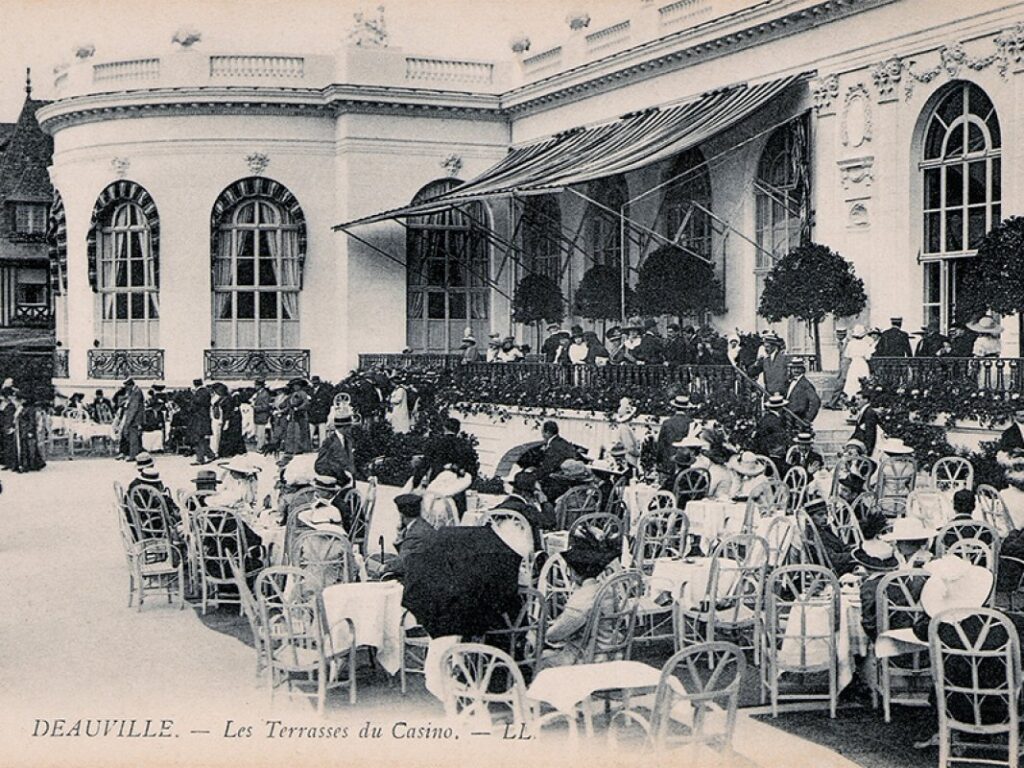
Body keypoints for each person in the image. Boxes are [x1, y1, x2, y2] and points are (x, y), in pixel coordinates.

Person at [540, 532, 621, 669]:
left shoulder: (581, 600)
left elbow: (554, 635)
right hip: (611, 651)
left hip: (585, 658)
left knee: (540, 660)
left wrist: (543, 629)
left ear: (574, 572)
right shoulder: (607, 590)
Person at [492, 469, 556, 551]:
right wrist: (545, 502)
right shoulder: (526, 509)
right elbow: (550, 523)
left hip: (501, 550)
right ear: (528, 494)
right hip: (524, 554)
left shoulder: (500, 507)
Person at [383, 493, 436, 579]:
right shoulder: (422, 525)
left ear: (401, 514)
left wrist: (383, 567)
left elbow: (402, 564)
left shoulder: (415, 534)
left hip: (419, 579)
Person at [655, 395, 697, 485]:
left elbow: (661, 445)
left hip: (668, 464)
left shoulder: (667, 423)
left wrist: (658, 461)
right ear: (687, 409)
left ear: (674, 408)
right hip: (685, 463)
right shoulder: (691, 422)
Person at [315, 407, 357, 486]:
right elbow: (319, 465)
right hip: (337, 482)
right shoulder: (329, 442)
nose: (351, 429)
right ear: (345, 427)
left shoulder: (349, 440)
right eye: (350, 427)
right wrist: (340, 473)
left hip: (350, 484)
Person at [536, 421, 579, 495]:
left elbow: (549, 466)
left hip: (558, 480)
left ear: (548, 433)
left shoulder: (554, 446)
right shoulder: (562, 442)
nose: (542, 435)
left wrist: (535, 474)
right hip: (566, 476)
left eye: (543, 432)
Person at [751, 394, 789, 474]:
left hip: (764, 451)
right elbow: (779, 438)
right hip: (770, 454)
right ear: (781, 408)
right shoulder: (774, 420)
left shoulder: (766, 418)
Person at [843, 324, 875, 401]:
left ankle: (851, 399)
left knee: (852, 380)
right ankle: (862, 398)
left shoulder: (850, 343)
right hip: (862, 363)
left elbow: (847, 355)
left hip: (854, 364)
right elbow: (868, 357)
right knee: (862, 381)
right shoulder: (865, 344)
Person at [214, 384, 245, 459]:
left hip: (229, 419)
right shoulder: (223, 398)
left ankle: (228, 452)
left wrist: (227, 422)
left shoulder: (228, 399)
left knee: (228, 436)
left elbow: (228, 411)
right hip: (224, 418)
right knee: (226, 436)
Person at [785, 360, 820, 425]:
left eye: (798, 368)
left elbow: (816, 402)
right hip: (789, 418)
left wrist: (808, 419)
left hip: (799, 419)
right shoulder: (789, 382)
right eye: (793, 368)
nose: (795, 370)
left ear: (802, 370)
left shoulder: (805, 384)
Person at [282, 378, 312, 455]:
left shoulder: (303, 393)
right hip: (292, 414)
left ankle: (299, 448)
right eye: (294, 386)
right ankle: (290, 448)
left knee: (300, 432)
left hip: (301, 415)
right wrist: (284, 409)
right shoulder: (292, 394)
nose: (295, 387)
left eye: (296, 385)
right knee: (291, 431)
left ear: (300, 386)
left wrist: (298, 408)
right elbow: (288, 404)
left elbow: (306, 403)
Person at [190, 379, 216, 466]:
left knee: (198, 439)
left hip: (199, 419)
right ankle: (210, 455)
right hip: (203, 418)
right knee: (202, 439)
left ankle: (200, 459)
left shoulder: (200, 393)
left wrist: (191, 398)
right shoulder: (205, 392)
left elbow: (196, 404)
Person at [613, 398, 640, 473]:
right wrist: (638, 453)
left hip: (628, 459)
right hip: (628, 460)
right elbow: (629, 447)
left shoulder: (625, 427)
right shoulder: (624, 428)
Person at [120, 378, 144, 462]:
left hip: (135, 419)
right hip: (135, 418)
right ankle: (137, 454)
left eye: (126, 386)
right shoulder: (134, 392)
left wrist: (128, 421)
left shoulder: (136, 393)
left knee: (133, 437)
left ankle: (133, 455)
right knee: (135, 436)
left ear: (130, 385)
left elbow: (134, 408)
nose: (126, 388)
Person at [308, 376, 334, 447]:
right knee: (310, 432)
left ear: (319, 383)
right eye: (313, 383)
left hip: (321, 414)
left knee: (322, 432)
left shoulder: (324, 391)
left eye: (316, 383)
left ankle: (322, 447)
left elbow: (328, 403)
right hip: (312, 414)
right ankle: (309, 447)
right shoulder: (310, 391)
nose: (315, 384)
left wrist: (325, 412)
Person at [251, 379, 273, 452]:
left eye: (256, 385)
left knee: (261, 433)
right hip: (259, 416)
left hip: (262, 416)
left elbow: (265, 406)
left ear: (260, 386)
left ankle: (261, 447)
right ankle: (260, 446)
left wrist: (255, 407)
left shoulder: (264, 394)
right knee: (259, 433)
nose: (255, 386)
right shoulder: (259, 393)